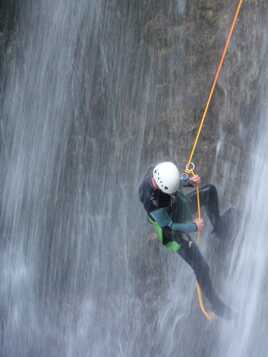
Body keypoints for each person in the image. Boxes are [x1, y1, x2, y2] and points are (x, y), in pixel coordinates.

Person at [139, 161, 232, 319]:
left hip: (179, 206)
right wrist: (193, 227)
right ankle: (217, 306)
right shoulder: (152, 201)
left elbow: (175, 180)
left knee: (209, 192)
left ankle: (221, 231)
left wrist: (188, 181)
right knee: (201, 267)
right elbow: (169, 225)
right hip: (172, 232)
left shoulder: (157, 171)